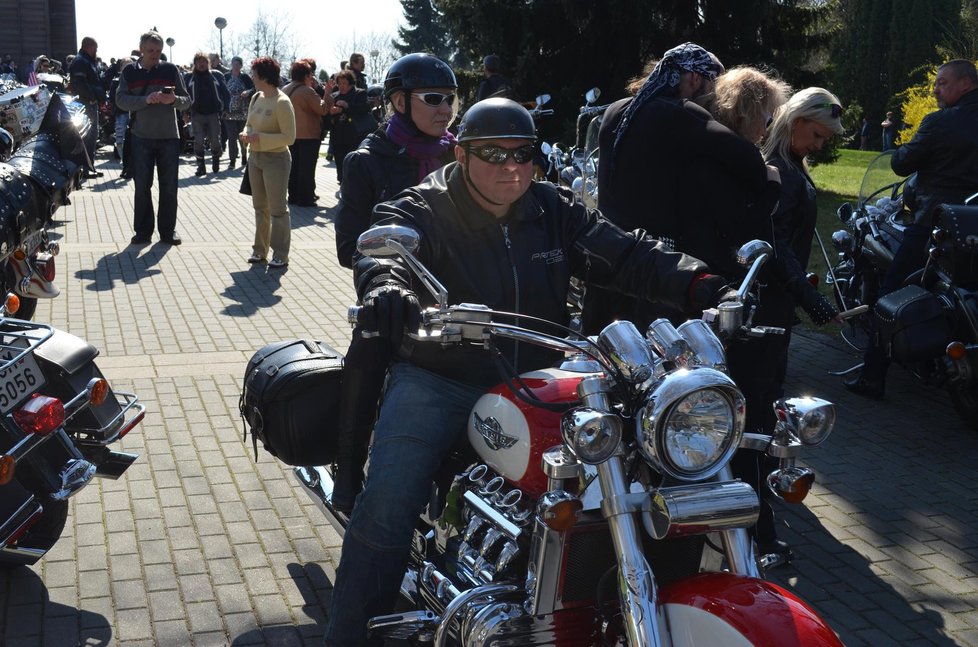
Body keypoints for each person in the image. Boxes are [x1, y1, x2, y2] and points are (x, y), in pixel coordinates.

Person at [323, 97, 727, 645]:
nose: (511, 166)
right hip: (442, 376)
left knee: (632, 471)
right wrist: (387, 286)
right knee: (387, 505)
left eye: (524, 153)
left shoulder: (554, 208)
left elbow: (626, 254)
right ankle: (348, 633)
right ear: (461, 153)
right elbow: (386, 250)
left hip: (539, 379)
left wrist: (700, 282)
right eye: (493, 152)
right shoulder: (425, 205)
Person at [331, 52, 459, 514]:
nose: (445, 108)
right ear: (400, 102)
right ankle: (347, 470)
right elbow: (350, 244)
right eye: (433, 98)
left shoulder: (459, 153)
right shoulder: (367, 160)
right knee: (368, 349)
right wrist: (389, 277)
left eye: (450, 99)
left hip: (461, 288)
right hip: (394, 291)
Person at [582, 43, 778, 333]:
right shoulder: (680, 113)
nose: (714, 94)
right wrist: (771, 179)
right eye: (713, 83)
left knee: (599, 344)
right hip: (649, 264)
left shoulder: (616, 110)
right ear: (695, 79)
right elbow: (745, 157)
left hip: (603, 253)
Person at [846, 59, 978, 399]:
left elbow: (901, 162)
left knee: (890, 294)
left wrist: (910, 149)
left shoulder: (940, 122)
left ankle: (873, 376)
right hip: (974, 228)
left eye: (942, 83)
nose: (935, 89)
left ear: (966, 83)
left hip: (936, 224)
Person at [115, 30, 191, 246]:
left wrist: (173, 100)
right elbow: (120, 100)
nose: (155, 55)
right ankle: (142, 232)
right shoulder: (129, 71)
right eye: (150, 51)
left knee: (169, 187)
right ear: (141, 49)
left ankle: (168, 232)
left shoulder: (170, 69)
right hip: (141, 136)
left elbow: (187, 101)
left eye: (158, 51)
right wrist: (145, 100)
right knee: (142, 187)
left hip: (169, 136)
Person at [240, 56, 296, 269]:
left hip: (276, 159)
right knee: (259, 206)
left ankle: (280, 254)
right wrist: (245, 134)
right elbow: (249, 124)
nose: (252, 77)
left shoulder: (282, 102)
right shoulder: (256, 97)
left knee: (278, 209)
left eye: (254, 74)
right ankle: (259, 250)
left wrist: (260, 138)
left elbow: (289, 137)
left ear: (264, 76)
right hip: (255, 157)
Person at [283, 60, 333, 206]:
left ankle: (293, 197)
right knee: (306, 169)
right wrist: (328, 93)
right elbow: (322, 109)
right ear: (306, 75)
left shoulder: (285, 89)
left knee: (293, 168)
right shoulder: (307, 91)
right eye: (310, 74)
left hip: (291, 135)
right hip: (309, 135)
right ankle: (305, 199)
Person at [185, 52, 230, 175]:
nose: (202, 64)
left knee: (215, 140)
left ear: (208, 63)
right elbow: (184, 96)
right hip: (196, 114)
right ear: (195, 64)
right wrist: (184, 113)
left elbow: (226, 93)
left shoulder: (216, 75)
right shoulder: (189, 77)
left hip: (213, 113)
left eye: (204, 61)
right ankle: (201, 167)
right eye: (199, 61)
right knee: (198, 141)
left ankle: (216, 158)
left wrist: (226, 109)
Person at [68, 37, 107, 177]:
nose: (96, 51)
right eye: (95, 48)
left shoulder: (84, 60)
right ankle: (86, 168)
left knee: (90, 136)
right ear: (90, 47)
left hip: (88, 102)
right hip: (86, 104)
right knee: (89, 137)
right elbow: (80, 83)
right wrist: (90, 98)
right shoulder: (81, 61)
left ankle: (88, 167)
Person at [328, 69, 370, 183]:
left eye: (344, 83)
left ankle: (352, 187)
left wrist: (347, 106)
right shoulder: (334, 96)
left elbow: (365, 109)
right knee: (340, 165)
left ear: (351, 83)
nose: (341, 86)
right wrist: (331, 112)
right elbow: (326, 116)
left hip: (354, 136)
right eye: (339, 83)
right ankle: (342, 183)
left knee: (353, 164)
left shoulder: (360, 93)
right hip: (338, 136)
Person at [223, 56, 254, 169]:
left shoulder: (245, 77)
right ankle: (232, 161)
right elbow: (222, 91)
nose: (235, 67)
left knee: (242, 137)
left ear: (241, 66)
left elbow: (253, 88)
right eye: (233, 64)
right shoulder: (226, 76)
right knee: (231, 137)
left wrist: (247, 91)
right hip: (229, 112)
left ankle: (244, 156)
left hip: (242, 112)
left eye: (238, 65)